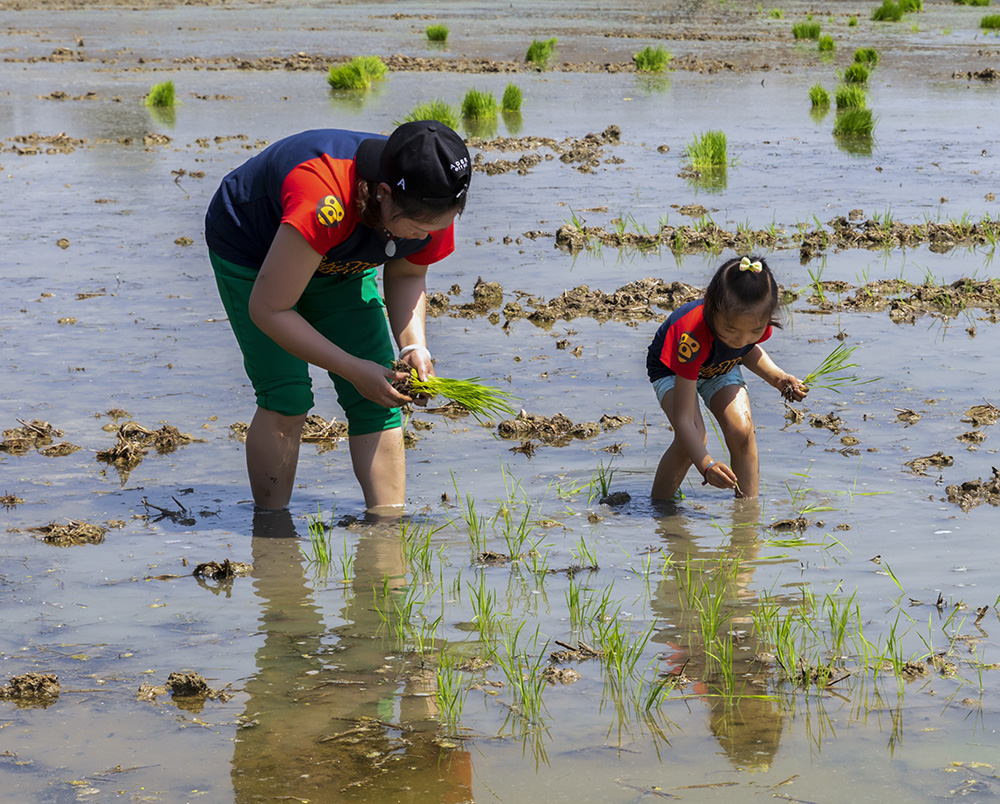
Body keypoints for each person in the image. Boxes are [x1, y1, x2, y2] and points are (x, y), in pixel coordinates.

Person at [205, 121, 472, 512]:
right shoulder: (323, 197)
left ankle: (387, 532)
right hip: (254, 252)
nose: (422, 238)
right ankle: (272, 529)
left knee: (383, 396)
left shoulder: (432, 203)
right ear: (383, 194)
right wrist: (351, 368)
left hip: (339, 258)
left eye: (433, 229)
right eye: (414, 229)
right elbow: (270, 308)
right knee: (286, 395)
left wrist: (414, 344)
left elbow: (409, 272)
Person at [646, 255, 807, 500]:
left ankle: (747, 514)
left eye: (754, 331)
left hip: (718, 363)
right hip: (673, 367)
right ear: (711, 307)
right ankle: (660, 509)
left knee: (742, 431)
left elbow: (746, 351)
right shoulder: (692, 335)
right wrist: (706, 464)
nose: (742, 339)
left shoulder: (753, 326)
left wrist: (778, 378)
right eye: (731, 330)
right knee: (692, 440)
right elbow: (683, 419)